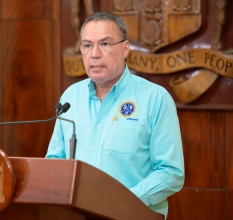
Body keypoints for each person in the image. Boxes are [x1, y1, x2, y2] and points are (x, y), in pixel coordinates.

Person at [46, 12, 184, 218]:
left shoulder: (155, 98)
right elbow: (55, 160)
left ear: (125, 48)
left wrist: (119, 201)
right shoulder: (71, 97)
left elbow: (170, 174)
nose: (94, 54)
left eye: (105, 44)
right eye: (87, 45)